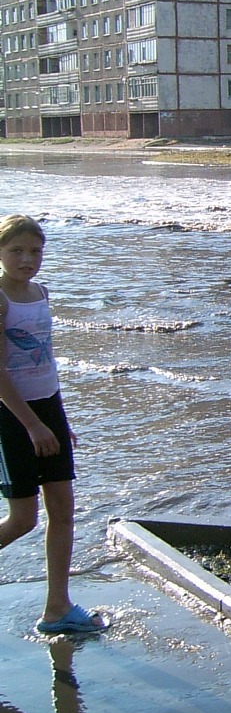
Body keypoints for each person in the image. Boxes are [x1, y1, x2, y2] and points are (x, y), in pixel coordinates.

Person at [0, 215, 104, 635]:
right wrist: (32, 426)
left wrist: (59, 423)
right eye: (17, 251)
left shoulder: (41, 293)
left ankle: (57, 608)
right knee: (24, 519)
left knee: (62, 510)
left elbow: (44, 362)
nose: (28, 259)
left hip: (49, 411)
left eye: (35, 251)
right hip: (12, 417)